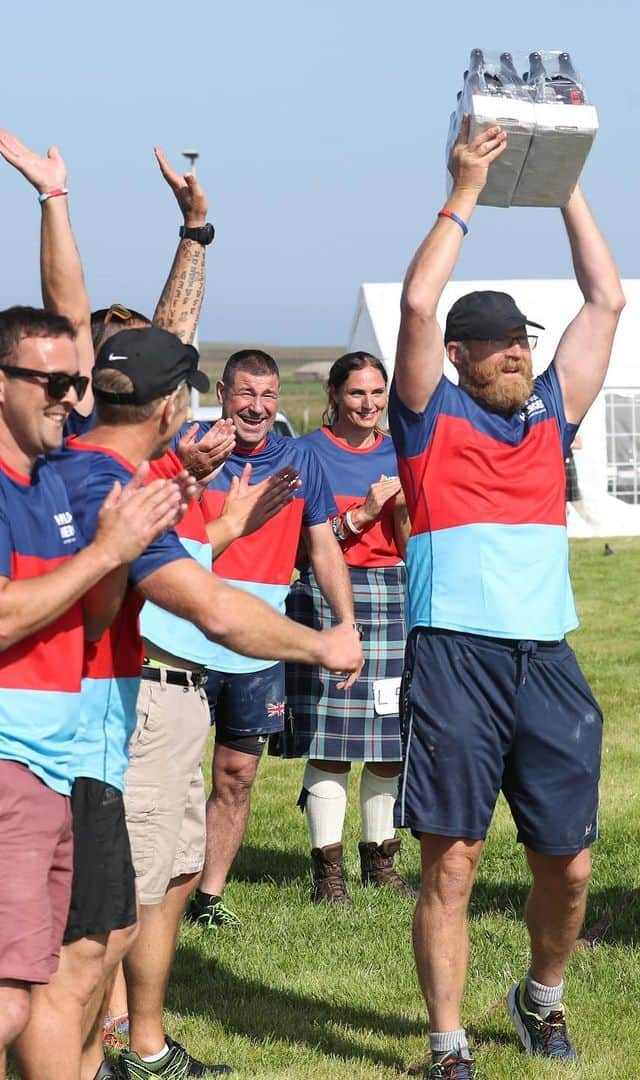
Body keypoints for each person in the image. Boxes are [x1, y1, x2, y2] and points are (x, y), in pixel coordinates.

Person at [23, 327, 362, 1080]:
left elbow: (190, 562)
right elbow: (209, 605)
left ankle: (136, 1046)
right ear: (175, 402)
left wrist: (219, 510)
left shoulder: (131, 474)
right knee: (87, 940)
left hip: (169, 699)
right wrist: (322, 644)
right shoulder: (109, 480)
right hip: (138, 701)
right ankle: (113, 1049)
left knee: (158, 884)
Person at [390, 117, 624, 1078]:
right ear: (457, 356)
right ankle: (448, 1043)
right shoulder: (426, 418)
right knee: (453, 860)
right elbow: (415, 298)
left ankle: (540, 999)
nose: (512, 356)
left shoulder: (551, 420)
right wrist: (466, 189)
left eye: (517, 343)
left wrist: (563, 177)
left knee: (568, 863)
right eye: (489, 347)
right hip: (454, 655)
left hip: (546, 656)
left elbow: (606, 299)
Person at [0, 306, 182, 1079]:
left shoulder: (50, 482)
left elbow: (92, 612)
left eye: (77, 382)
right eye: (50, 381)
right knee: (19, 995)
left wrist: (116, 555)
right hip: (17, 761)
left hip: (51, 763)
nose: (70, 397)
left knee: (61, 968)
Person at [183, 348, 356, 928]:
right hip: (186, 633)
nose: (256, 407)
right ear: (223, 395)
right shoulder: (192, 448)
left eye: (267, 395)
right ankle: (160, 892)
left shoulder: (302, 459)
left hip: (259, 645)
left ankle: (208, 898)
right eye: (245, 394)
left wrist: (345, 621)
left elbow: (324, 547)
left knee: (237, 775)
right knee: (173, 771)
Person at [271, 351, 412, 902]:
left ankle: (381, 861)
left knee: (388, 736)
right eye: (357, 393)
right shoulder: (304, 453)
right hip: (326, 597)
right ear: (333, 394)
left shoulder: (400, 451)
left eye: (378, 394)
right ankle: (327, 873)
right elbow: (300, 539)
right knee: (331, 738)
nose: (369, 405)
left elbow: (413, 535)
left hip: (394, 596)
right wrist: (360, 516)